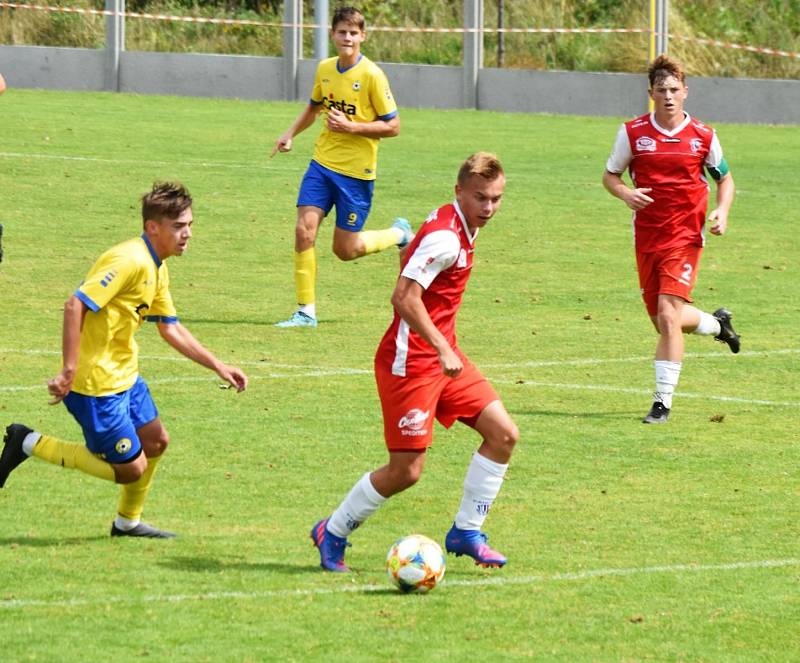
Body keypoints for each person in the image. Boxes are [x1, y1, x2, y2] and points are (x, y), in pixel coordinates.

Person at [0, 182, 248, 537]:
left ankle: (127, 523)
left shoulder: (157, 265)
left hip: (126, 378)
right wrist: (69, 368)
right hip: (95, 385)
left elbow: (170, 329)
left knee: (157, 442)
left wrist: (218, 365)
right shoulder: (128, 260)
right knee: (131, 469)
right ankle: (27, 442)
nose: (188, 234)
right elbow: (75, 305)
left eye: (190, 225)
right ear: (153, 227)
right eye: (179, 226)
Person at [310, 152, 519, 572]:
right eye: (480, 197)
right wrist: (442, 348)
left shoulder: (457, 222)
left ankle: (466, 531)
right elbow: (404, 297)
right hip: (411, 363)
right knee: (406, 472)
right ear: (459, 192)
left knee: (504, 435)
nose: (489, 207)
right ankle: (331, 531)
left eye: (496, 198)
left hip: (444, 357)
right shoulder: (447, 237)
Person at [602, 54, 740, 424]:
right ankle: (717, 324)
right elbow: (611, 175)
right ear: (651, 93)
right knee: (665, 320)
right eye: (661, 90)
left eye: (674, 89)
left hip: (684, 237)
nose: (668, 96)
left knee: (667, 316)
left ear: (685, 92)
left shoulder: (703, 136)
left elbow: (724, 179)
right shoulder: (632, 133)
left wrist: (722, 211)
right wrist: (625, 194)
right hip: (647, 237)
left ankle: (662, 403)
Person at [270, 6, 411, 328]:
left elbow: (393, 126)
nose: (347, 38)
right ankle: (306, 311)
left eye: (353, 33)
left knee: (345, 250)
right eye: (342, 32)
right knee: (303, 231)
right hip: (322, 164)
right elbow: (314, 106)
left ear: (362, 36)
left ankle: (399, 233)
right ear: (333, 34)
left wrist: (352, 127)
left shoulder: (372, 76)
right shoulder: (325, 69)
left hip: (356, 175)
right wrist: (289, 134)